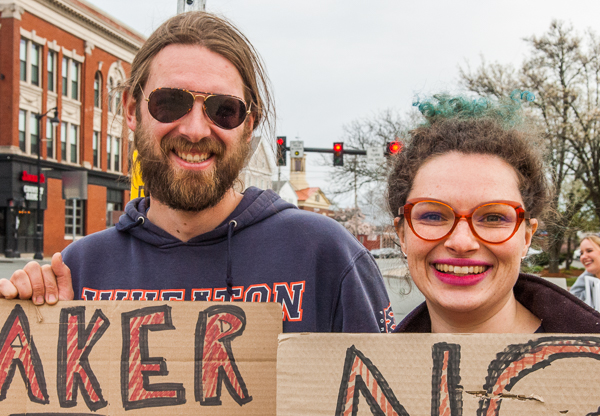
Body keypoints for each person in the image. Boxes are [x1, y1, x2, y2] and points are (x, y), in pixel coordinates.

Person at [0, 12, 394, 334]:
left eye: (223, 109)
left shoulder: (326, 256)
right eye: (169, 103)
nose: (194, 129)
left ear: (247, 125)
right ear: (132, 110)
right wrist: (29, 322)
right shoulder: (78, 272)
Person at [388, 91, 600, 333]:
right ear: (403, 235)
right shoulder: (361, 368)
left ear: (526, 238)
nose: (461, 242)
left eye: (493, 218)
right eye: (433, 216)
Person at [569, 235, 600, 306]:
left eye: (589, 251)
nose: (583, 256)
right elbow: (571, 302)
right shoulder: (590, 283)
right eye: (581, 253)